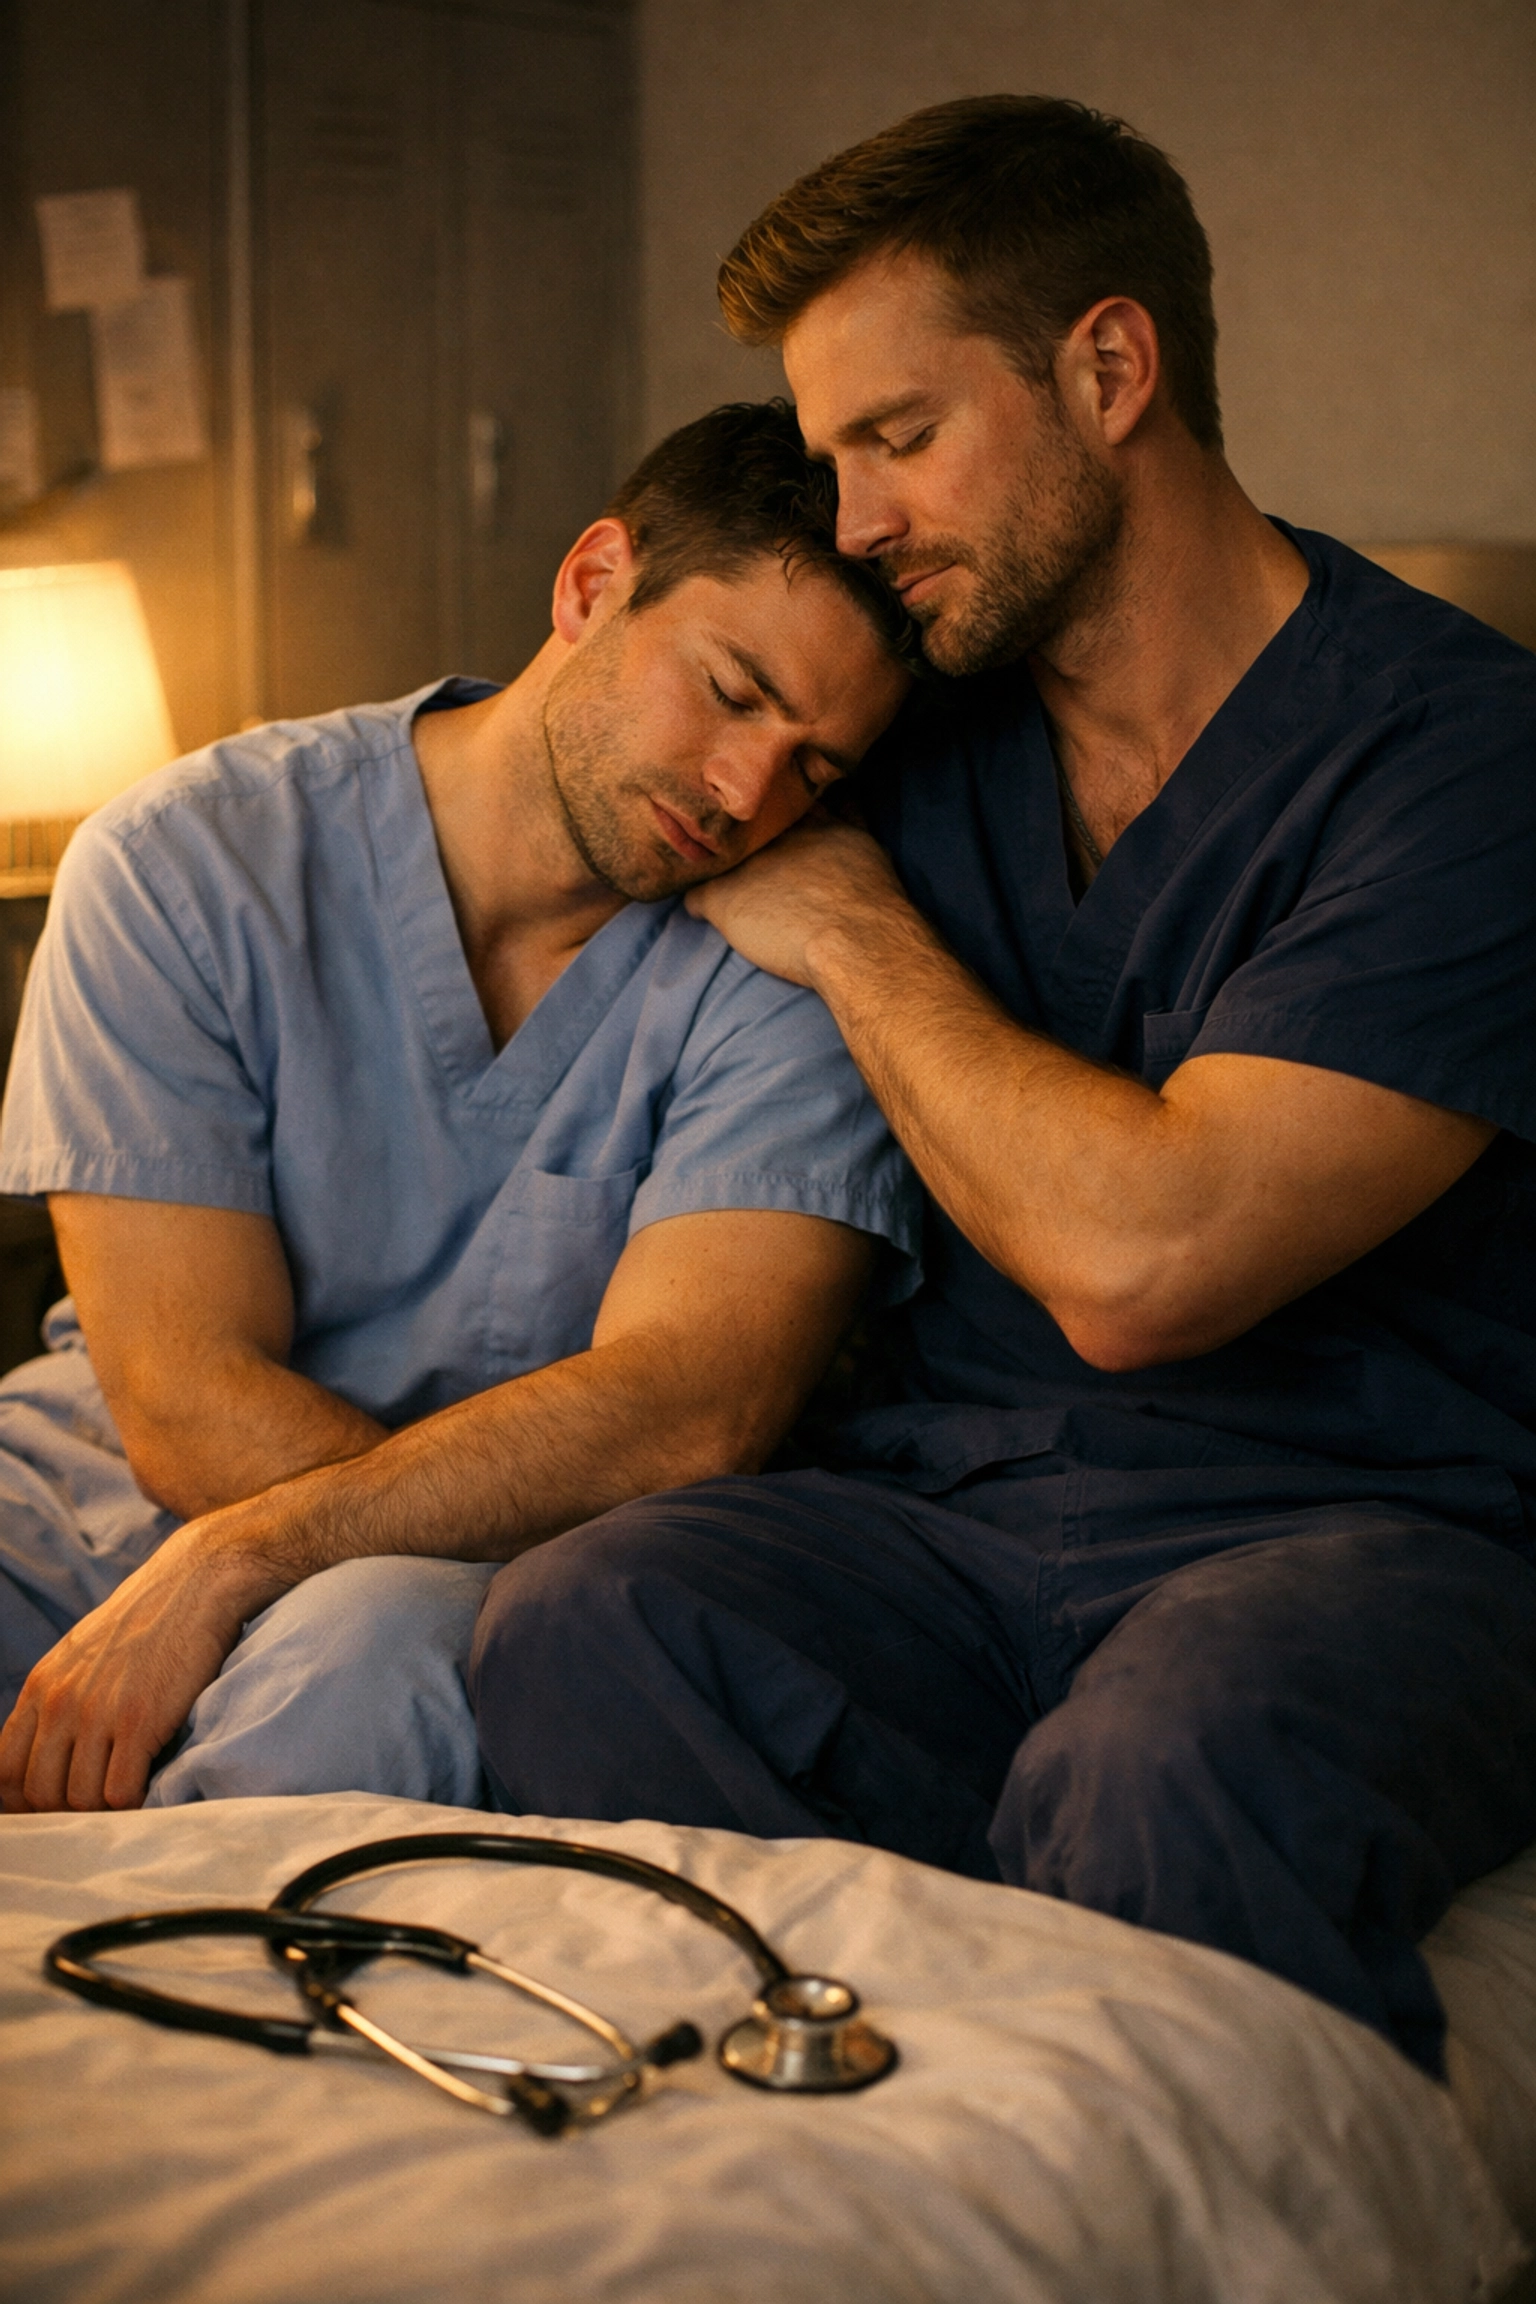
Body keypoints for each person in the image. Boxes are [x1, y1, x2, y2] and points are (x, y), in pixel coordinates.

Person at [469, 97, 1536, 2080]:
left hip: (1360, 1534)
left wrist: (863, 936)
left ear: (1110, 370)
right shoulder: (899, 725)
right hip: (951, 1519)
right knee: (591, 1618)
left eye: (899, 437)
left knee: (1172, 1759)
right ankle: (885, 2141)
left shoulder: (1463, 764)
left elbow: (1150, 1260)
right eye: (827, 459)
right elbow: (584, 774)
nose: (853, 521)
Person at [0, 400, 919, 1816]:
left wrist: (291, 1553)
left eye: (815, 764)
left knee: (357, 1692)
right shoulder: (188, 862)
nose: (748, 793)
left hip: (438, 1578)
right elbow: (179, 1404)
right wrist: (408, 1498)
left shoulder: (788, 961)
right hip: (87, 1500)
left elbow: (688, 1413)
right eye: (734, 692)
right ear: (592, 581)